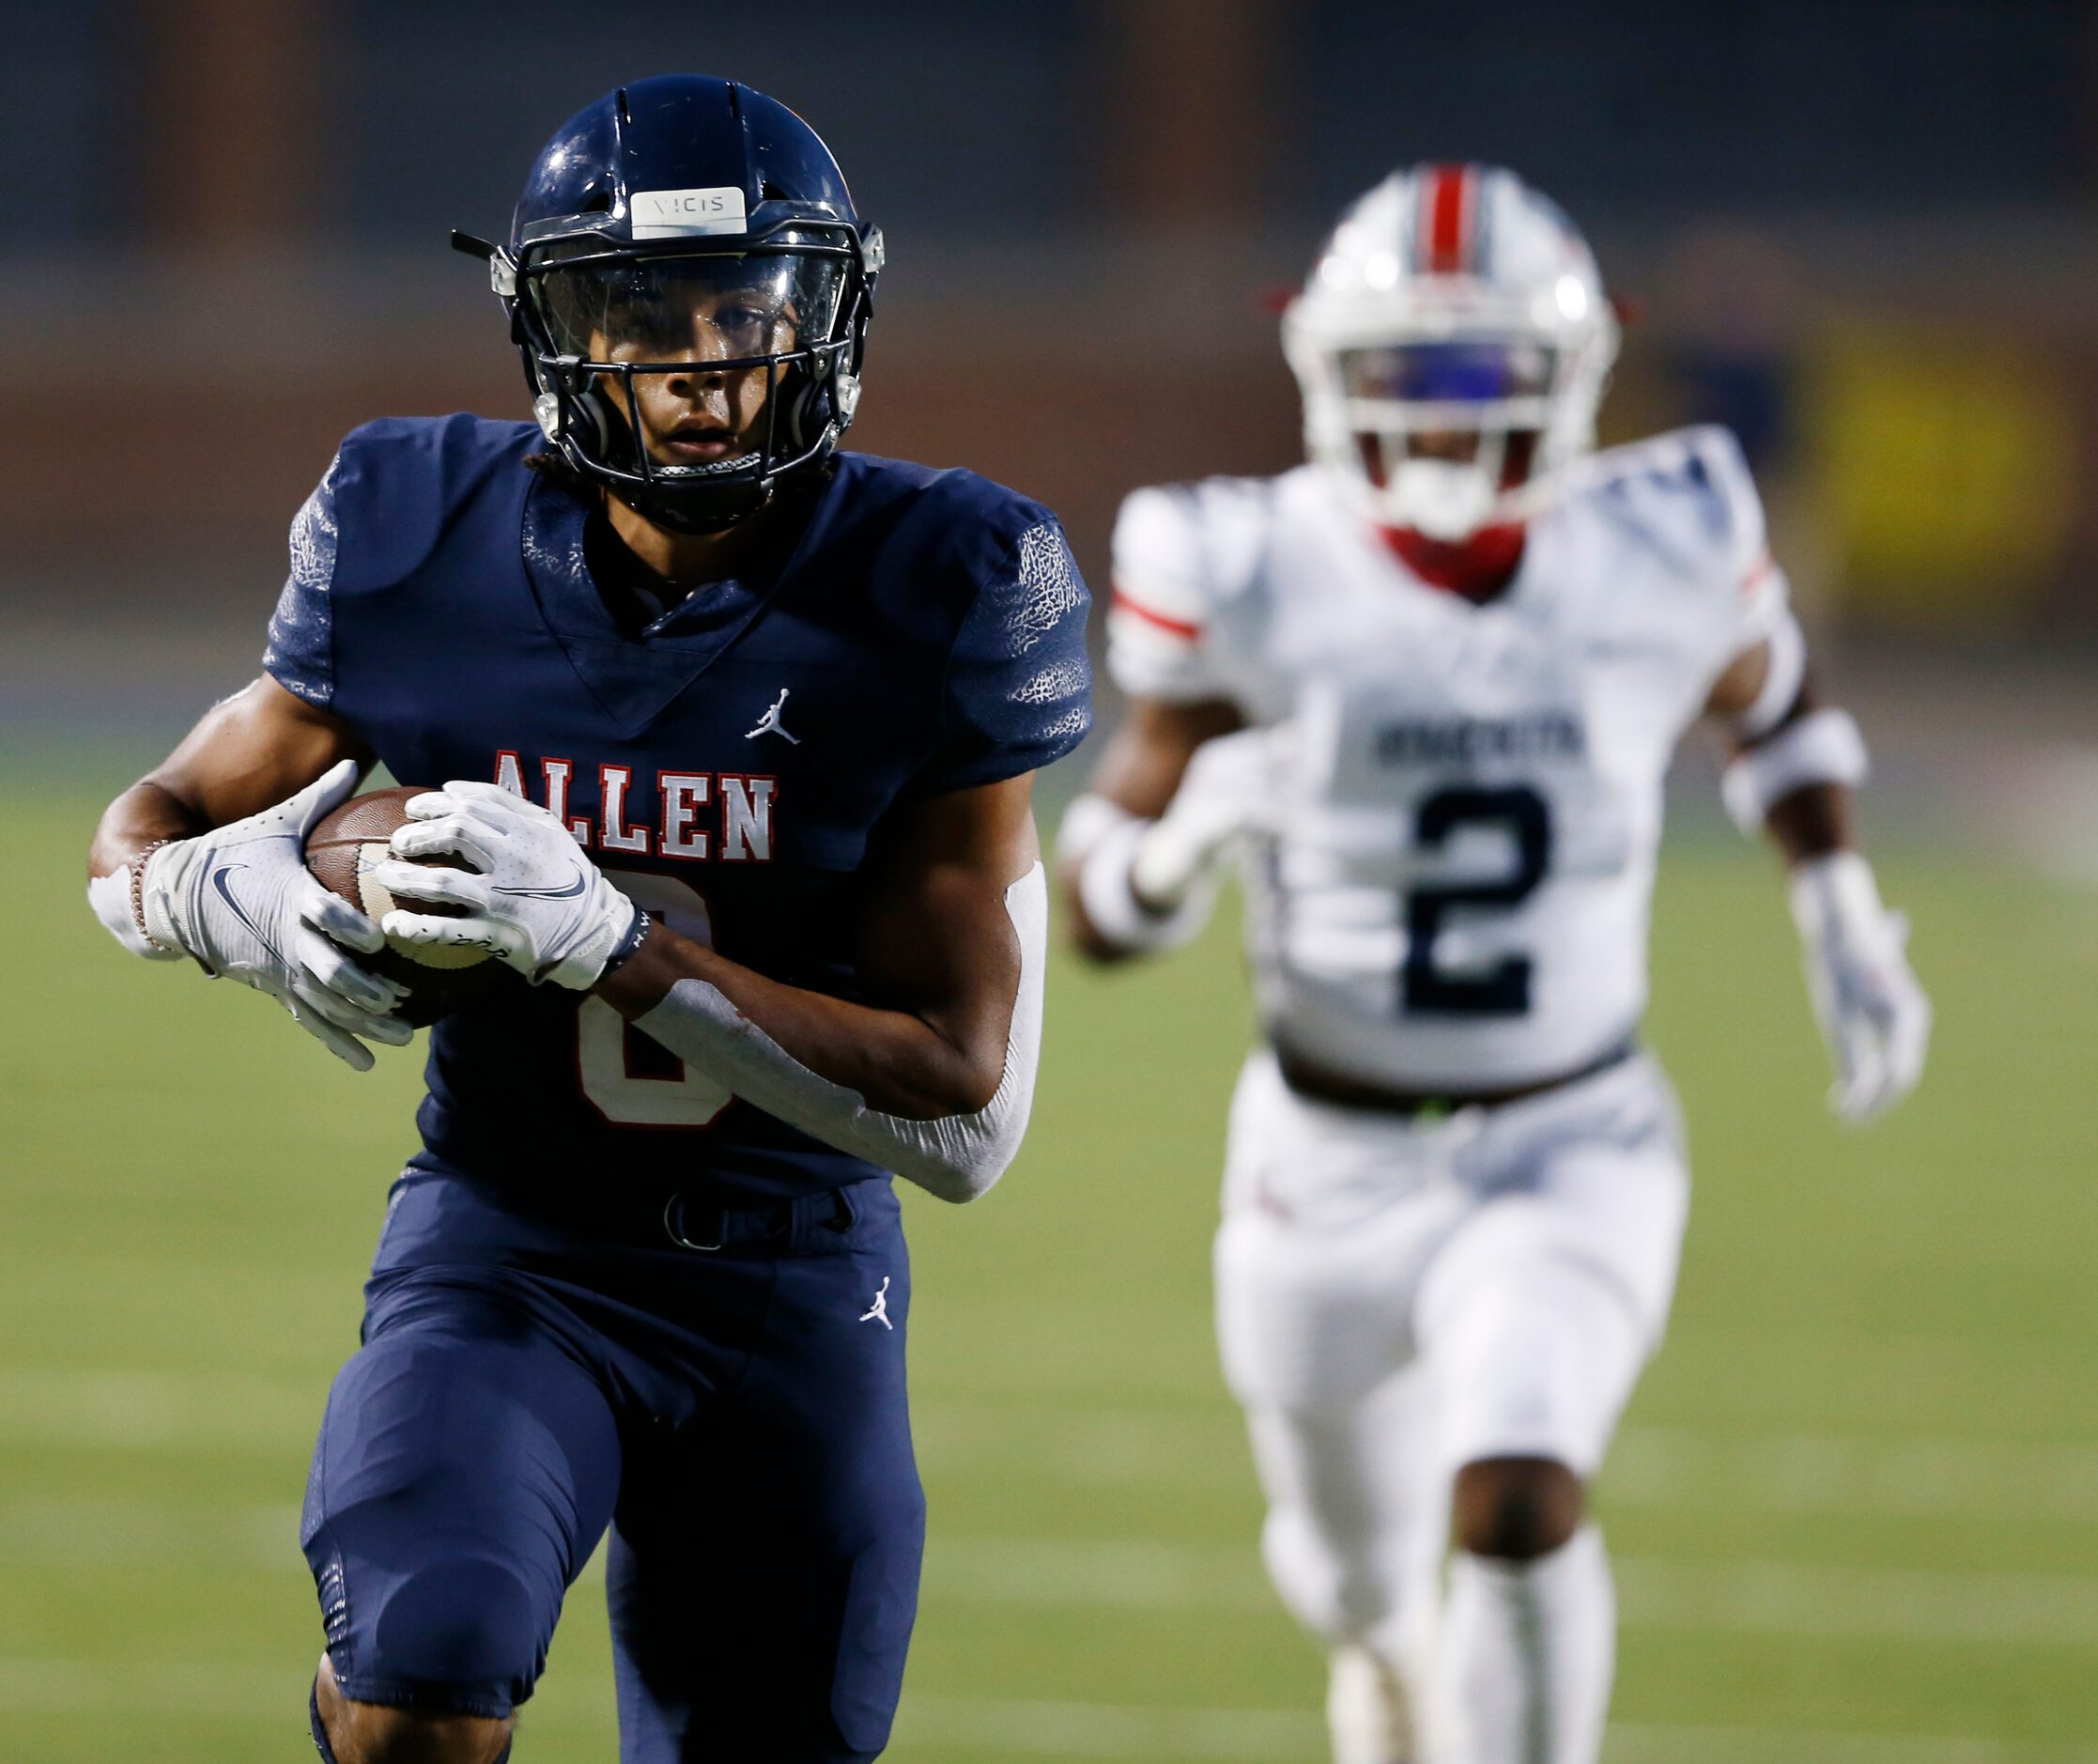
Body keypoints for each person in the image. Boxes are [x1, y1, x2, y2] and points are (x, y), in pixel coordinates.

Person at [86, 74, 1090, 1764]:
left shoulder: (949, 583)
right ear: (555, 329)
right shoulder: (417, 530)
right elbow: (148, 829)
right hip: (510, 1236)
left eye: (744, 309)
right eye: (641, 313)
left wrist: (617, 946)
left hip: (793, 1279)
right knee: (423, 1665)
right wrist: (235, 892)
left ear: (822, 321)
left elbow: (963, 1113)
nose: (701, 362)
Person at [1058, 163, 1926, 1764]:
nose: (1441, 418)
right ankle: (1380, 1656)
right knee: (1348, 1576)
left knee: (1517, 1491)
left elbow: (1780, 699)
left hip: (1566, 1129)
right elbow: (1095, 904)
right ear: (1328, 372)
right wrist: (1177, 855)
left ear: (1572, 378)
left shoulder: (1659, 536)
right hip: (1322, 1153)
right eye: (1402, 374)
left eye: (1478, 375)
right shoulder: (1245, 564)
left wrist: (1838, 903)